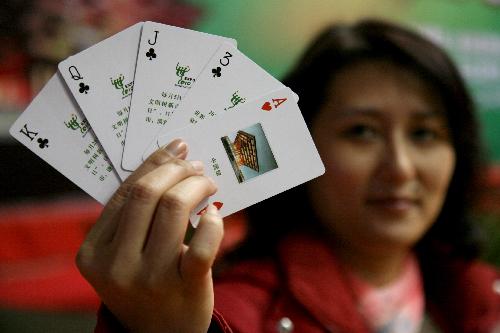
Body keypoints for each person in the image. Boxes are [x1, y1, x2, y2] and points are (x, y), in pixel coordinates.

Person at [76, 19, 500, 333]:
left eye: (425, 133)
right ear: (297, 146)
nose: (401, 167)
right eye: (362, 132)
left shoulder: (480, 290)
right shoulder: (228, 311)